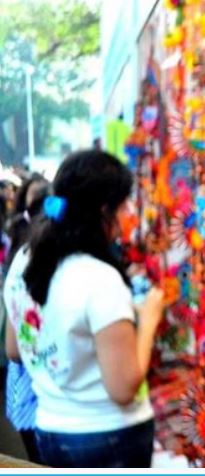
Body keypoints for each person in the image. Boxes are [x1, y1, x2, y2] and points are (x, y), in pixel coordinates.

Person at [3, 150, 166, 468]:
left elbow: (14, 349)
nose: (129, 214)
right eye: (124, 205)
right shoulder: (98, 278)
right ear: (105, 210)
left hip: (50, 431)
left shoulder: (25, 259)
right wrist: (148, 320)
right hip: (108, 437)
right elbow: (124, 388)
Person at [3, 173, 50, 464]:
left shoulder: (21, 257)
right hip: (42, 402)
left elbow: (12, 349)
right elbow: (14, 349)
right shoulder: (43, 263)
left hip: (27, 399)